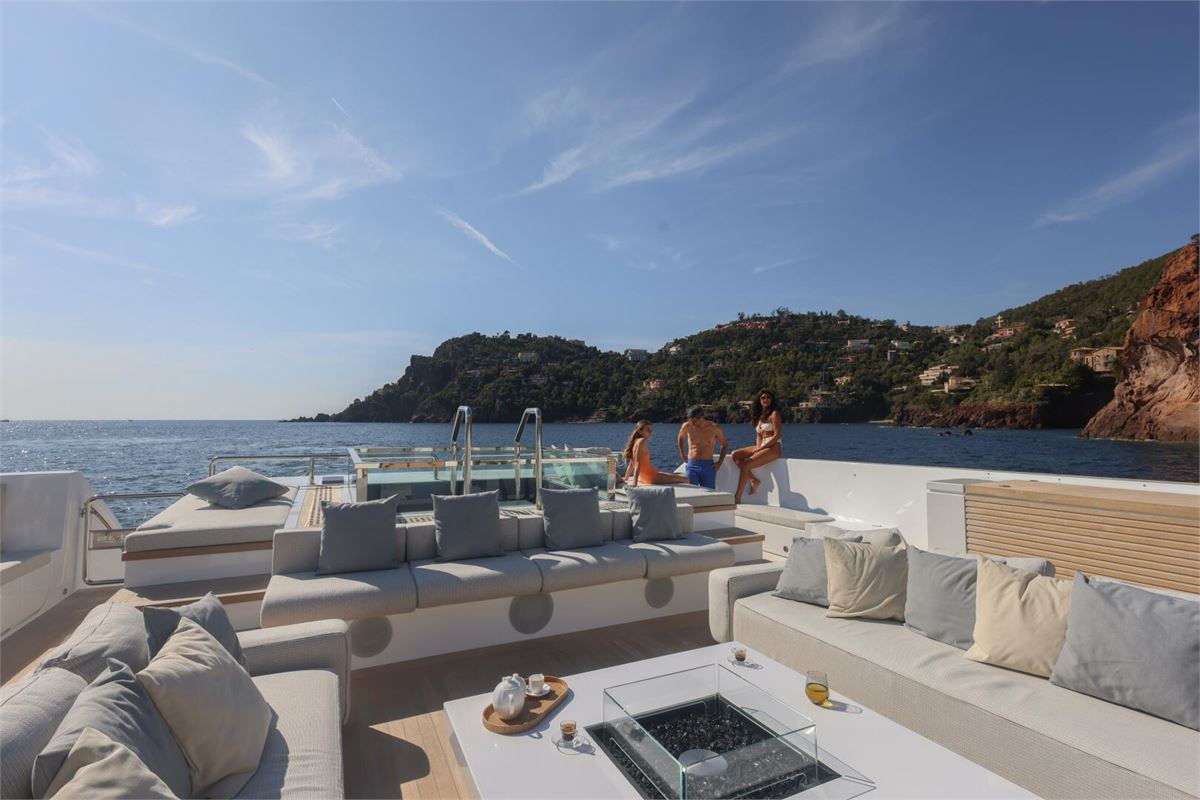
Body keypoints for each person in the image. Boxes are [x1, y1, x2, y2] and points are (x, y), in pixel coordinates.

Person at [731, 389, 783, 504]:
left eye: (769, 398)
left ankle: (737, 497)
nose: (766, 400)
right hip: (763, 444)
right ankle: (753, 479)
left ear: (772, 400)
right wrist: (759, 448)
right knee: (735, 455)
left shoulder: (774, 414)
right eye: (763, 397)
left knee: (746, 464)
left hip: (774, 446)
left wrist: (761, 449)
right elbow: (759, 436)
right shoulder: (760, 416)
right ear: (759, 400)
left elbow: (777, 435)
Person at [622, 420, 689, 487]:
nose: (650, 432)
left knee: (676, 475)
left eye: (651, 430)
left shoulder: (635, 441)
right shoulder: (642, 441)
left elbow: (632, 464)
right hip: (651, 477)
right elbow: (637, 463)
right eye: (648, 430)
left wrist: (626, 477)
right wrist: (635, 483)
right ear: (640, 431)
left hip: (646, 476)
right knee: (686, 479)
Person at [677, 406, 728, 490]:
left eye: (694, 421)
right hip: (692, 464)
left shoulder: (714, 428)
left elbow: (725, 444)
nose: (692, 423)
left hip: (708, 465)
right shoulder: (687, 426)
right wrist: (682, 454)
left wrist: (719, 463)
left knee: (709, 493)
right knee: (690, 491)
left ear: (701, 418)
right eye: (690, 421)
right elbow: (680, 438)